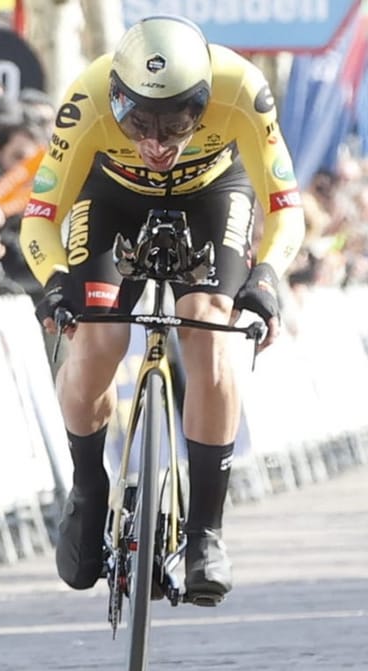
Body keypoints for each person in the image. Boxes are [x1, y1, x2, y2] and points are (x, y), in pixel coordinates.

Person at [20, 16, 305, 603]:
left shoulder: (244, 88)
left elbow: (285, 207)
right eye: (139, 122)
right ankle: (88, 485)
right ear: (116, 96)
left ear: (205, 98)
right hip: (111, 197)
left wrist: (269, 277)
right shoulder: (86, 96)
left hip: (214, 194)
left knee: (212, 336)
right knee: (97, 339)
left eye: (178, 121)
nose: (156, 142)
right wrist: (52, 284)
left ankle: (206, 532)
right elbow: (39, 216)